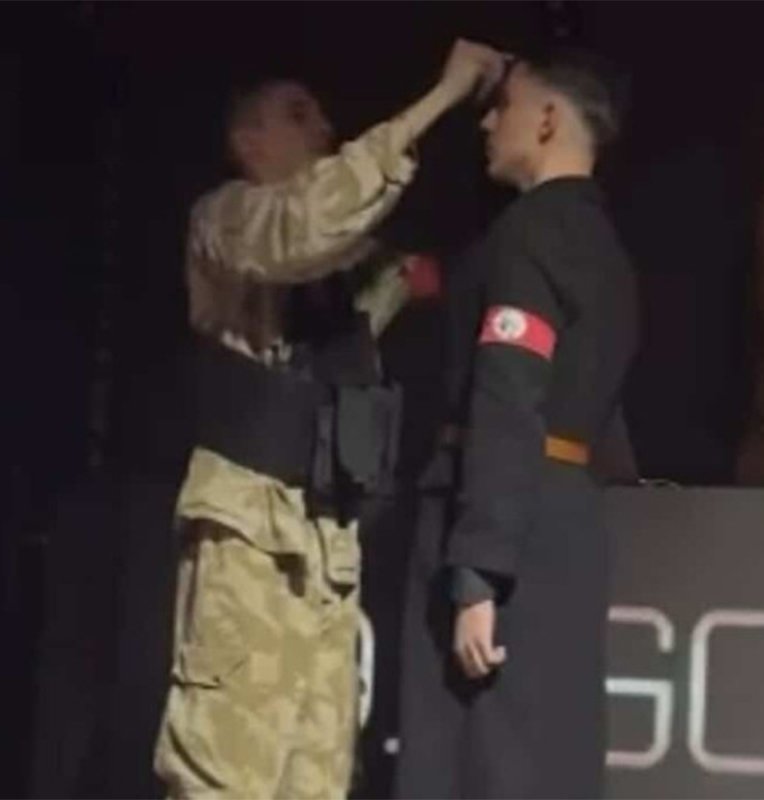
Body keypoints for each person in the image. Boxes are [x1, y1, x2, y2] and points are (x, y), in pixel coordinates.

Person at [151, 39, 506, 799]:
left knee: (317, 779)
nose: (322, 129)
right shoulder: (229, 219)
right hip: (249, 536)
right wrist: (440, 98)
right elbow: (309, 225)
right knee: (227, 775)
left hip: (324, 539)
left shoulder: (343, 270)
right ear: (248, 141)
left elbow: (399, 269)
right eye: (296, 115)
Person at [395, 48, 638, 799]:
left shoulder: (531, 233)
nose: (489, 123)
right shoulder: (608, 248)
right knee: (547, 760)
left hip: (504, 526)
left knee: (480, 764)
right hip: (565, 522)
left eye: (504, 106)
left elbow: (508, 393)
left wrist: (479, 574)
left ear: (548, 119)